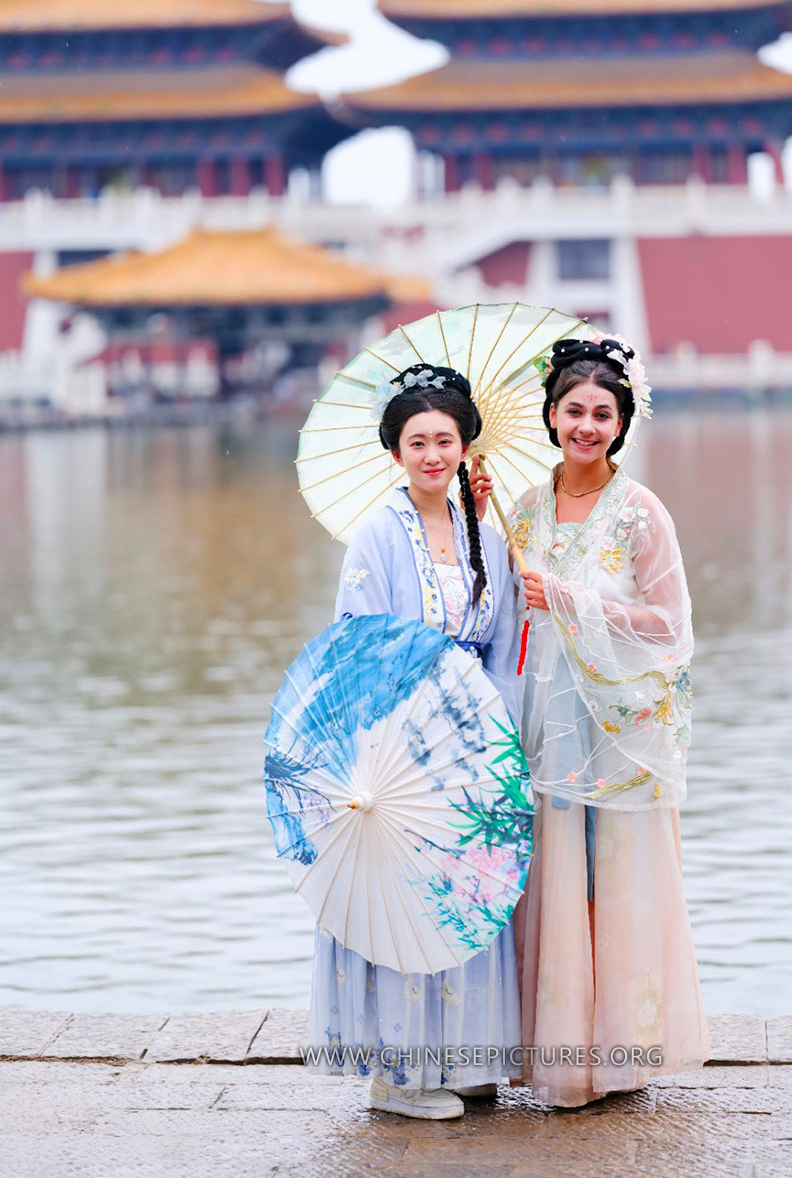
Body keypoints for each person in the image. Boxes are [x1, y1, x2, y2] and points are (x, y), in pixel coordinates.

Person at [473, 334, 710, 1108]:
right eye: (572, 409)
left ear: (621, 421)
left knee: (617, 877)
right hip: (545, 725)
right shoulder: (525, 506)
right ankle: (555, 1056)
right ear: (549, 415)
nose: (585, 424)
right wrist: (478, 523)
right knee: (552, 876)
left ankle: (620, 1056)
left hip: (618, 730)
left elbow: (672, 626)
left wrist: (573, 600)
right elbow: (499, 606)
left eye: (602, 413)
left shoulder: (641, 513)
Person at [307, 363, 522, 1121]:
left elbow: (501, 645)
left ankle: (463, 1057)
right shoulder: (377, 533)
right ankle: (397, 1073)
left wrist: (500, 739)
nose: (433, 454)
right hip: (402, 739)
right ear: (395, 451)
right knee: (407, 900)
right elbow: (359, 643)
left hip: (473, 739)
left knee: (466, 894)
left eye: (446, 439)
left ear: (466, 446)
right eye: (417, 441)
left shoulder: (485, 536)